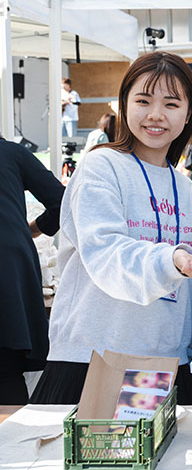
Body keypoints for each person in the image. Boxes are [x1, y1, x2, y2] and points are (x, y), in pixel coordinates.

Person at [31, 52, 192, 405]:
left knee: (160, 459)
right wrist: (175, 259)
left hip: (163, 363)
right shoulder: (100, 167)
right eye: (143, 100)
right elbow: (106, 252)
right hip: (94, 357)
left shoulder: (188, 191)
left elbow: (181, 299)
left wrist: (189, 348)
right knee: (90, 458)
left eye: (171, 103)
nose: (156, 114)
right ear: (124, 105)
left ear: (188, 115)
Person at [0, 137, 64, 404]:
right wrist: (32, 229)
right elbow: (66, 202)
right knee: (6, 370)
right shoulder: (10, 153)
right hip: (8, 270)